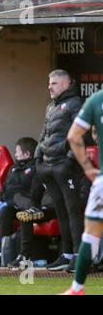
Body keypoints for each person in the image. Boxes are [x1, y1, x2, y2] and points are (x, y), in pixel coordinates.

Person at [35, 69, 85, 272]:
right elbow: (43, 133)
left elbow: (81, 132)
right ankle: (66, 255)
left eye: (54, 83)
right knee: (61, 212)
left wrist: (68, 161)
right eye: (49, 83)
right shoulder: (50, 107)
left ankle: (80, 257)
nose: (49, 86)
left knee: (74, 212)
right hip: (48, 166)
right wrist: (38, 159)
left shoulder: (76, 104)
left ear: (65, 84)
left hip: (65, 166)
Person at [61, 91, 103, 294]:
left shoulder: (97, 99)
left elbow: (73, 136)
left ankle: (77, 288)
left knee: (92, 232)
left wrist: (87, 167)